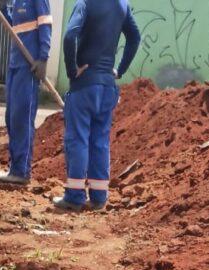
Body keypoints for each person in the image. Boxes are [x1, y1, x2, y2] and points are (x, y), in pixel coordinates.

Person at [53, 0, 141, 212]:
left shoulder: (85, 3)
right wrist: (119, 70)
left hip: (84, 86)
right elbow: (134, 37)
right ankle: (99, 197)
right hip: (107, 87)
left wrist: (72, 70)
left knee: (78, 140)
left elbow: (69, 35)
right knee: (100, 141)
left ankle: (74, 197)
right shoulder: (122, 5)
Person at [0, 0, 53, 185]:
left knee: (22, 118)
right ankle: (15, 167)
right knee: (11, 118)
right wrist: (3, 8)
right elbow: (15, 27)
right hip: (14, 64)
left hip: (29, 66)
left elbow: (45, 24)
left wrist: (43, 58)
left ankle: (22, 171)